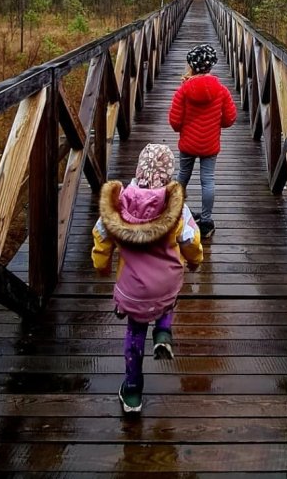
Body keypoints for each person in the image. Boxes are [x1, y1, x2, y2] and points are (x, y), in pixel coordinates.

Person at [91, 143, 203, 414]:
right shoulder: (175, 207)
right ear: (169, 174)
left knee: (135, 330)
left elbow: (101, 237)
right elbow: (191, 239)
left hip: (133, 289)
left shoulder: (117, 204)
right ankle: (163, 331)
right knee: (167, 297)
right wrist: (196, 260)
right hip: (166, 283)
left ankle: (132, 391)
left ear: (137, 169)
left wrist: (101, 266)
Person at [168, 43, 237, 238]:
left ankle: (174, 212)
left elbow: (174, 121)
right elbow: (230, 118)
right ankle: (206, 221)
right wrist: (217, 124)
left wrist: (184, 128)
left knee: (183, 175)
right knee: (208, 180)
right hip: (210, 144)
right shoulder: (222, 90)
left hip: (188, 143)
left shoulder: (183, 90)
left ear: (191, 66)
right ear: (211, 66)